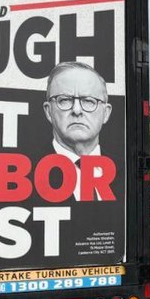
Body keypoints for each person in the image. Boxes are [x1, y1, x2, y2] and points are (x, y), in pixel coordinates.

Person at [42, 62, 114, 199]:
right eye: (64, 100)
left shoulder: (126, 172)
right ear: (48, 111)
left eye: (88, 101)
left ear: (106, 113)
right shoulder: (26, 175)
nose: (76, 110)